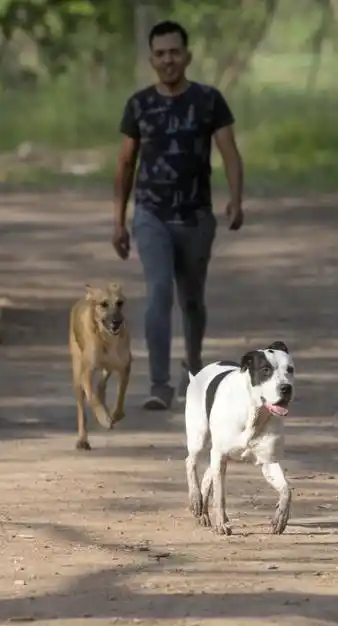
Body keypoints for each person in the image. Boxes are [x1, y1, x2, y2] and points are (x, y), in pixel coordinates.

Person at [113, 20, 244, 411]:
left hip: (196, 216)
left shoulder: (209, 101)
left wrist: (236, 199)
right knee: (158, 292)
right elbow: (124, 164)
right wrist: (118, 220)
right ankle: (159, 384)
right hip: (151, 213)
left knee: (192, 300)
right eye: (160, 54)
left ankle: (194, 370)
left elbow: (230, 153)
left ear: (187, 55)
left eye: (174, 52)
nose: (167, 60)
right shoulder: (139, 105)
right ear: (151, 59)